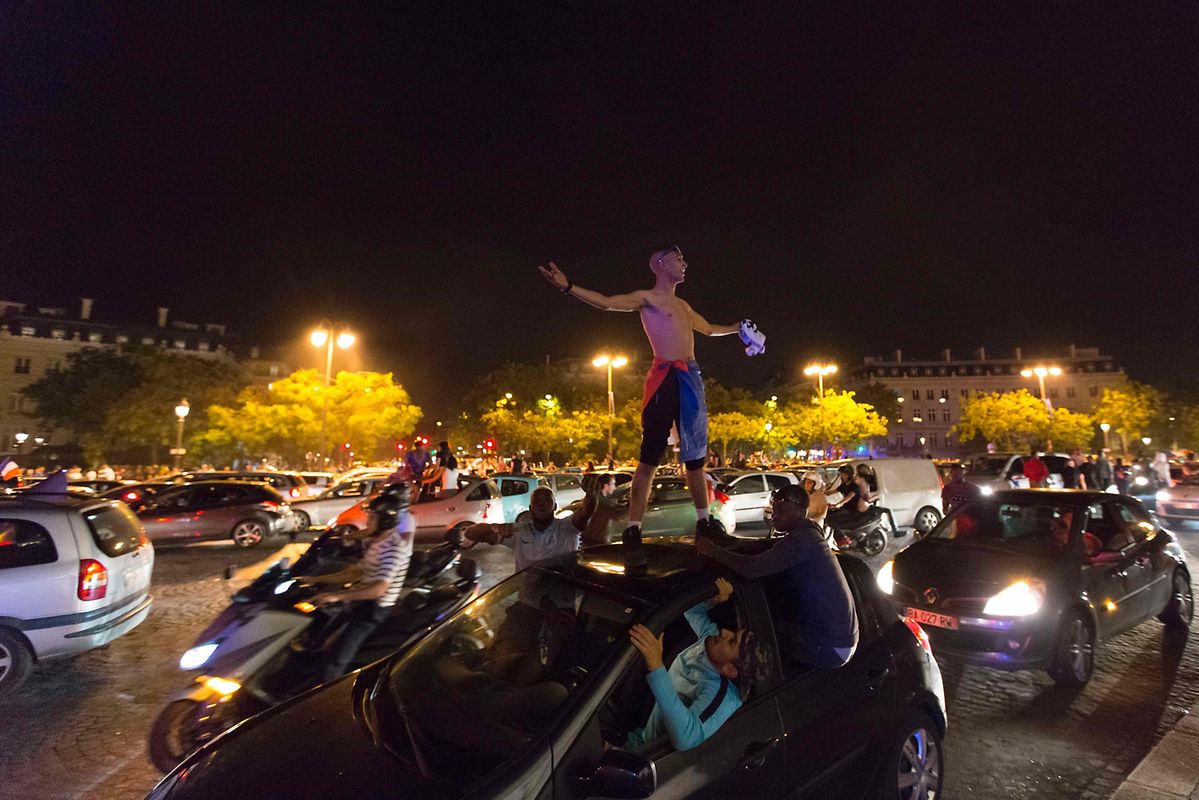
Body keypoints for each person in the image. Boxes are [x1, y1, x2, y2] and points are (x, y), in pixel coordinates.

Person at [540, 249, 763, 562]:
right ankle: (633, 527)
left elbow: (710, 328)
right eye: (678, 259)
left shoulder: (683, 305)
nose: (685, 263)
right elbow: (606, 302)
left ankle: (704, 522)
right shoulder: (646, 298)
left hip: (690, 377)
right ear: (660, 264)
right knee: (649, 458)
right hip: (664, 377)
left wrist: (738, 326)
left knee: (695, 458)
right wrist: (568, 286)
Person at [698, 485, 858, 670]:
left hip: (832, 645)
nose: (774, 515)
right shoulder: (807, 534)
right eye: (774, 508)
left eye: (781, 510)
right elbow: (765, 548)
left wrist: (711, 550)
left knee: (756, 634)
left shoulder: (802, 540)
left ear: (800, 510)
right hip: (838, 638)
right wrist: (723, 542)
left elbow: (752, 568)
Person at [624, 578, 761, 753]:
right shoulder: (710, 640)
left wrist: (656, 666)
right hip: (638, 740)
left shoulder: (721, 694)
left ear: (730, 669)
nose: (724, 632)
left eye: (731, 641)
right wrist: (713, 601)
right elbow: (691, 611)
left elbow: (687, 738)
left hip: (647, 758)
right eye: (733, 633)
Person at [308, 483, 415, 681]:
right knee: (320, 639)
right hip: (360, 602)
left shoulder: (393, 547)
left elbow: (378, 590)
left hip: (374, 609)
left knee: (336, 659)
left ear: (385, 520)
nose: (367, 522)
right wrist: (317, 579)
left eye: (372, 518)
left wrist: (335, 595)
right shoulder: (377, 541)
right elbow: (357, 571)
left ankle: (327, 697)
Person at [464, 486, 602, 570]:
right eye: (537, 501)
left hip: (560, 609)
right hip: (527, 606)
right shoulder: (519, 531)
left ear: (555, 506)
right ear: (530, 508)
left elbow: (586, 512)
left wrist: (591, 495)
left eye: (547, 500)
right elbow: (471, 533)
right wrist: (495, 528)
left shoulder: (567, 528)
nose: (542, 504)